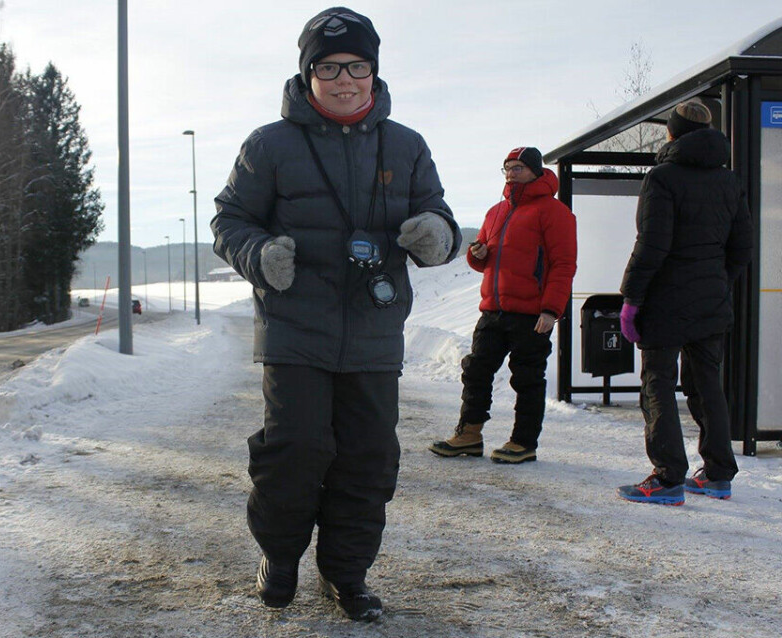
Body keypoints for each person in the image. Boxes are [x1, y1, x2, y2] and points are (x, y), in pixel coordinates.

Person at [211, 7, 462, 622]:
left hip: (374, 332)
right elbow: (229, 220)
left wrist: (437, 235)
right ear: (307, 73)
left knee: (368, 459)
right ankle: (280, 555)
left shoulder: (406, 145)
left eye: (356, 66)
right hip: (295, 326)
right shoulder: (269, 145)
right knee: (294, 450)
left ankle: (346, 575)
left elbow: (443, 221)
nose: (343, 79)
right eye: (328, 68)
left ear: (373, 72)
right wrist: (259, 253)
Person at [617, 99, 752, 506]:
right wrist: (715, 282)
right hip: (711, 301)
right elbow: (741, 248)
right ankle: (717, 474)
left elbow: (652, 245)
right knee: (707, 382)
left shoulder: (663, 178)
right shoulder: (729, 180)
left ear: (672, 133)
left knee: (657, 382)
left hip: (665, 300)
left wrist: (631, 298)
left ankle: (668, 477)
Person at [429, 147, 577, 464]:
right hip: (493, 310)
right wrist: (477, 254)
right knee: (476, 371)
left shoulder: (555, 212)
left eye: (519, 167)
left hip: (532, 314)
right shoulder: (496, 211)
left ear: (536, 171)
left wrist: (551, 310)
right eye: (507, 167)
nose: (511, 172)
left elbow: (564, 264)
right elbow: (483, 261)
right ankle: (469, 435)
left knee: (527, 379)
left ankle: (523, 443)